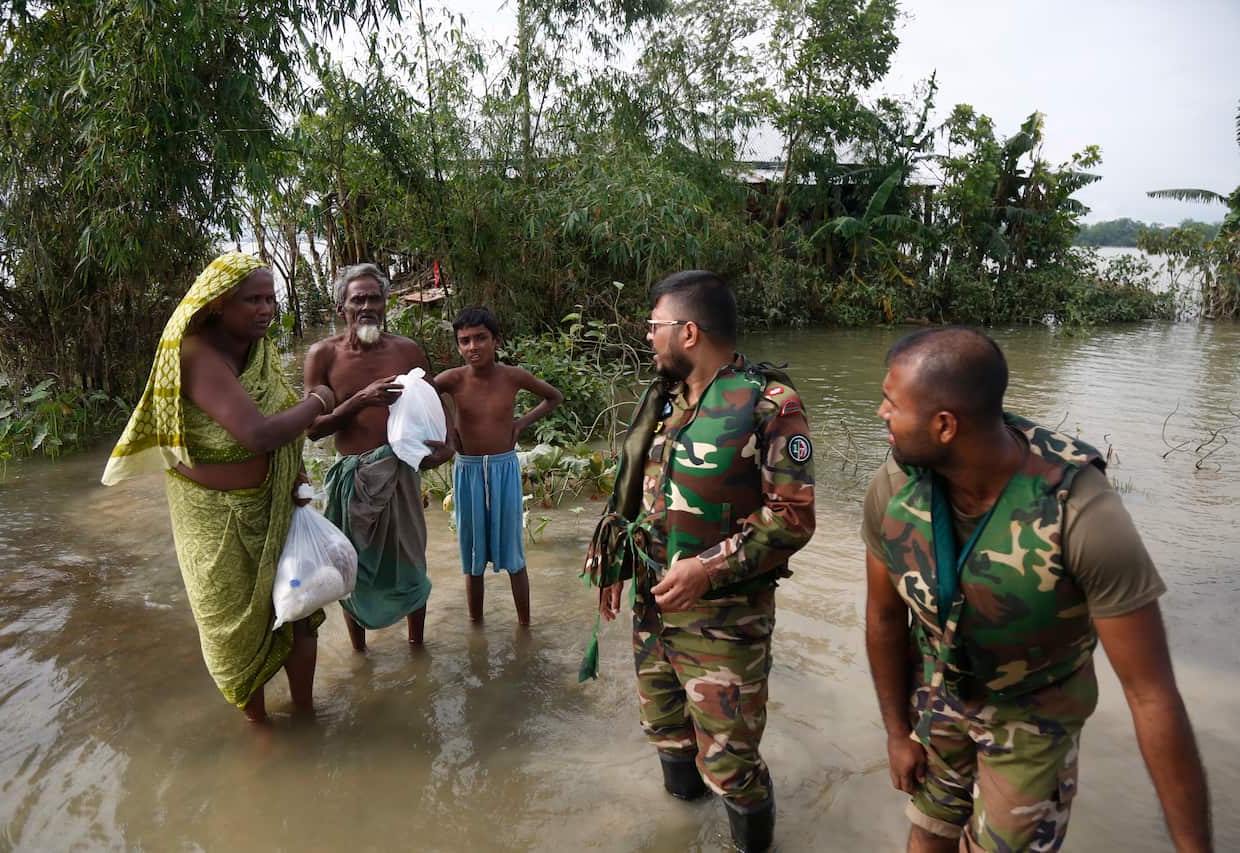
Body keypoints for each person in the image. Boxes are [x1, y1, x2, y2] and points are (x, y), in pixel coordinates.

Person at [862, 326, 1213, 853]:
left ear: (944, 425)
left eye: (892, 403)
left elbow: (1151, 695)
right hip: (940, 696)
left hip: (1032, 715)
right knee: (928, 832)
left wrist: (1194, 847)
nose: (880, 414)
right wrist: (896, 732)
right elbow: (885, 619)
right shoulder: (896, 485)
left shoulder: (1081, 512)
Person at [583, 270, 816, 853]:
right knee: (666, 734)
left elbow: (792, 518)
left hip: (725, 623)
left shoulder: (770, 403)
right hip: (654, 609)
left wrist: (708, 568)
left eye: (654, 326)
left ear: (688, 331)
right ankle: (681, 833)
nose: (647, 337)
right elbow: (636, 497)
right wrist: (613, 565)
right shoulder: (664, 399)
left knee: (733, 764)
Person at [102, 252, 337, 723]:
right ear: (217, 304)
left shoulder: (258, 349)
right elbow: (259, 434)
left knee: (301, 609)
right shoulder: (196, 355)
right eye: (253, 299)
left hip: (276, 506)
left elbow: (274, 421)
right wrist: (320, 400)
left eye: (271, 298)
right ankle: (260, 730)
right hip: (215, 523)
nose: (266, 308)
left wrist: (295, 474)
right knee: (234, 630)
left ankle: (308, 714)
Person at [303, 262, 452, 650]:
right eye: (358, 299)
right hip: (350, 480)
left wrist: (448, 444)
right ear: (342, 309)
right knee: (352, 569)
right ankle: (359, 653)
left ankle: (417, 647)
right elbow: (313, 428)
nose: (367, 306)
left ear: (386, 304)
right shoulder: (323, 356)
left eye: (375, 298)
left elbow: (434, 399)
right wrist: (360, 400)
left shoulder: (406, 350)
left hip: (401, 473)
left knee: (411, 564)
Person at [434, 307, 562, 625]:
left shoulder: (512, 376)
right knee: (472, 554)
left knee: (514, 555)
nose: (472, 347)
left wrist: (521, 424)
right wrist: (448, 427)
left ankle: (525, 626)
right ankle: (476, 626)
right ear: (458, 345)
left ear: (496, 341)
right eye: (464, 341)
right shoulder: (451, 379)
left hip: (504, 469)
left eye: (481, 338)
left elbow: (553, 397)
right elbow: (421, 393)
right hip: (467, 470)